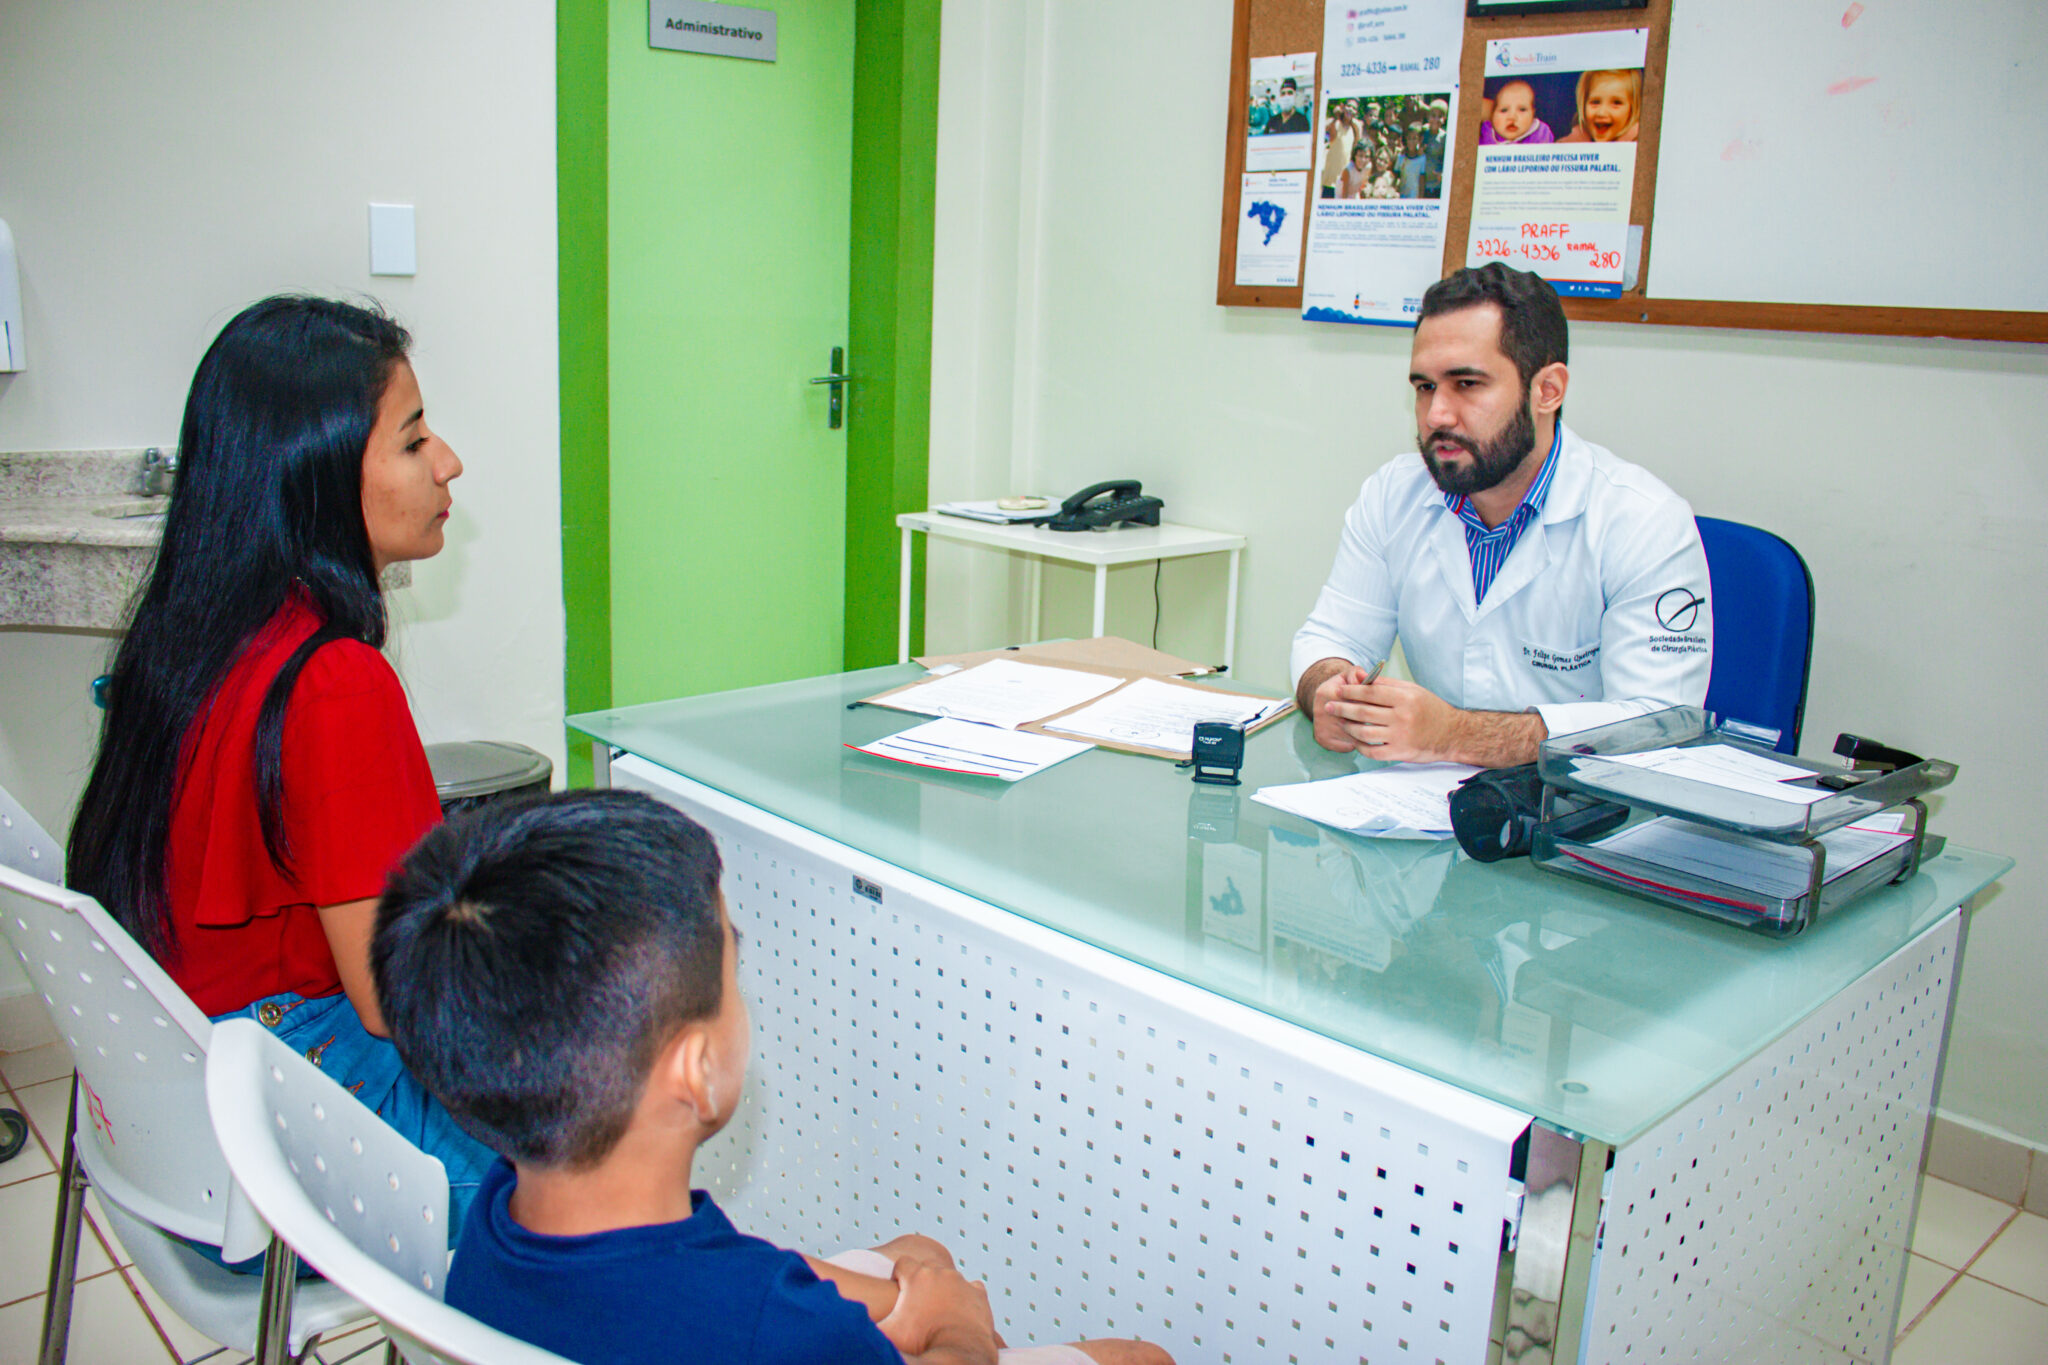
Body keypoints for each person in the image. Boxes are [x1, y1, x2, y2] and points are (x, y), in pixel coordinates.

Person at [375, 790, 1176, 1365]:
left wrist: (910, 1295)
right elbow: (762, 1298)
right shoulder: (773, 1328)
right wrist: (957, 1330)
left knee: (918, 1251)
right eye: (732, 963)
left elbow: (730, 1260)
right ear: (695, 1067)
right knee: (1144, 1356)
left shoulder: (498, 1212)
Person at [66, 295, 496, 1235]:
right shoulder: (335, 682)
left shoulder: (191, 638)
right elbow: (396, 999)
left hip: (183, 1124)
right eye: (415, 439)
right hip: (290, 1140)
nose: (449, 461)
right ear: (321, 475)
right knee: (601, 1185)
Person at [1290, 263, 1711, 767]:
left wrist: (1453, 735)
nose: (1437, 415)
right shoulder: (1394, 494)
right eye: (1424, 387)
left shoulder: (1643, 521)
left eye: (1466, 383)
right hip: (1423, 810)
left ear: (1548, 391)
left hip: (1578, 822)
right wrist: (1329, 690)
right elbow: (1331, 637)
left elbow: (1660, 724)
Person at [1558, 68, 1641, 143]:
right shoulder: (1570, 145)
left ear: (1632, 108)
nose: (1602, 113)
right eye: (1595, 102)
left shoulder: (1640, 145)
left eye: (1616, 103)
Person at [1479, 79, 1554, 145]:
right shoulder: (1487, 134)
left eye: (1522, 109)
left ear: (1532, 114)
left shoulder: (1539, 133)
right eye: (1504, 110)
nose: (1512, 117)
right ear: (1493, 114)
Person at [1320, 98, 1362, 198]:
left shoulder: (1354, 128)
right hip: (1330, 181)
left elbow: (1358, 144)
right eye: (1349, 106)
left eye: (1354, 108)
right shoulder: (1335, 123)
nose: (1351, 109)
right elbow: (1323, 129)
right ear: (1343, 107)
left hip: (1344, 182)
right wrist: (1336, 117)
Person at [1422, 100, 1449, 198]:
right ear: (1428, 117)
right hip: (1421, 183)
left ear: (1444, 119)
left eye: (1440, 116)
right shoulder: (1423, 132)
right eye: (1433, 115)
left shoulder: (1444, 137)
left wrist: (1443, 172)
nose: (1436, 119)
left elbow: (1448, 160)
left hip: (1436, 185)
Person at [1397, 124, 1428, 199]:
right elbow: (1397, 176)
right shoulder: (1401, 157)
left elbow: (1422, 180)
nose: (1411, 141)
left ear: (1419, 140)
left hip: (1415, 196)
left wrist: (1420, 198)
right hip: (1402, 195)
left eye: (1414, 138)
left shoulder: (1422, 158)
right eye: (1409, 138)